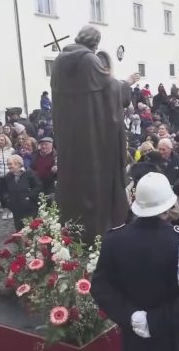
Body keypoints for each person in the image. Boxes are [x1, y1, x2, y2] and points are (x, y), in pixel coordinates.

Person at [90, 172, 179, 351]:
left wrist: (130, 316)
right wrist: (152, 320)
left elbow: (100, 287)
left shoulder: (114, 239)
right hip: (176, 338)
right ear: (168, 206)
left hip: (134, 337)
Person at [51, 25, 134, 242]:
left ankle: (71, 230)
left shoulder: (59, 60)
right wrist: (127, 84)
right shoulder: (89, 60)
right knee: (94, 180)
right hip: (92, 136)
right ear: (95, 43)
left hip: (69, 135)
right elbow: (112, 90)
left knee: (73, 180)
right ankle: (96, 231)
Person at [5, 155, 42, 231]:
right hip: (16, 209)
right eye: (8, 164)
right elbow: (6, 190)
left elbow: (38, 187)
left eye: (10, 164)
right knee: (18, 231)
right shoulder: (9, 176)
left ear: (18, 164)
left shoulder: (30, 174)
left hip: (29, 209)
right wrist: (8, 202)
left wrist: (29, 196)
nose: (8, 166)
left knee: (30, 231)